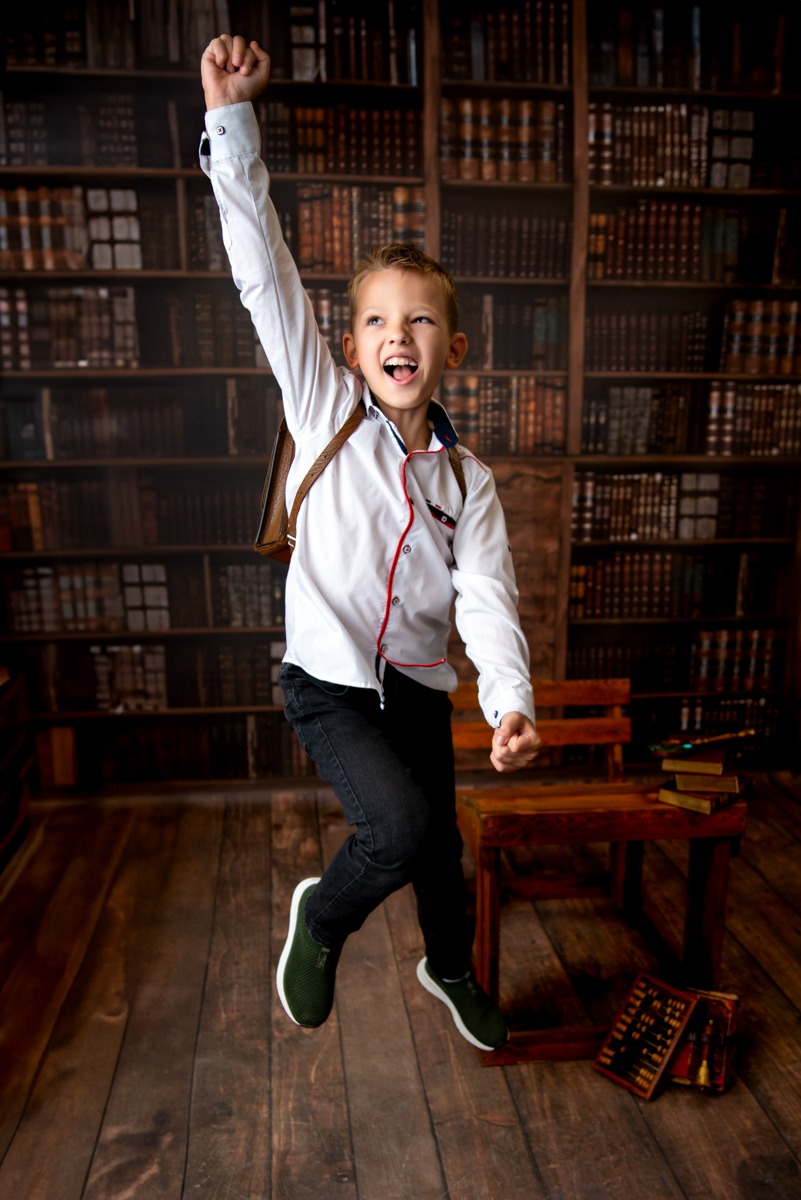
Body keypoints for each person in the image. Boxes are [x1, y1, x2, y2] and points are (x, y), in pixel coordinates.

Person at [200, 35, 541, 1051]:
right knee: (396, 829)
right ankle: (323, 917)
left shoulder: (468, 482)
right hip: (331, 681)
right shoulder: (322, 408)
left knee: (440, 857)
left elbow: (488, 603)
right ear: (351, 346)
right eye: (381, 322)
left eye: (422, 322)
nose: (401, 335)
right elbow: (264, 273)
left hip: (418, 689)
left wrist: (511, 703)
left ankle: (450, 968)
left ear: (452, 349)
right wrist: (230, 119)